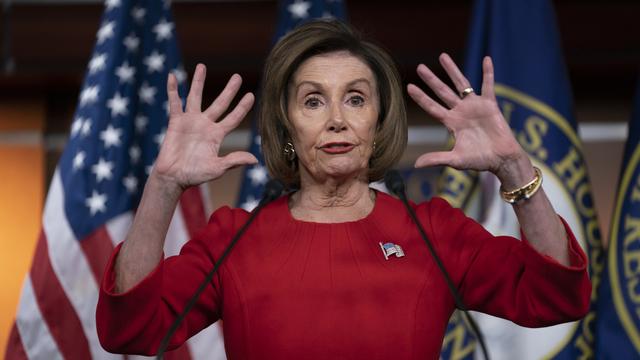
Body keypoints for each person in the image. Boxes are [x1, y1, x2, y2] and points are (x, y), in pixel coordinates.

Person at [96, 20, 590, 359]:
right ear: (286, 126)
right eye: (313, 101)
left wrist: (513, 167)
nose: (336, 119)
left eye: (355, 98)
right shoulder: (233, 238)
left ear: (377, 120)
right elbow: (130, 329)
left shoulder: (435, 232)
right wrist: (162, 187)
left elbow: (556, 297)